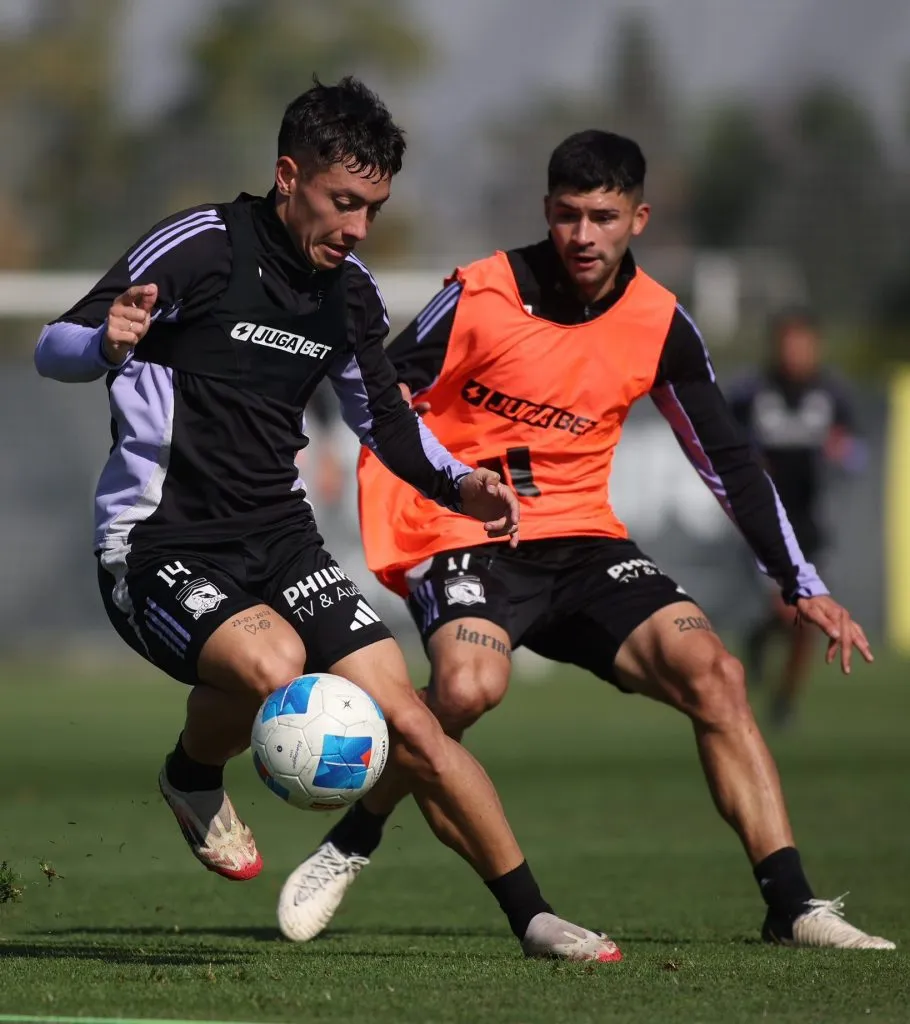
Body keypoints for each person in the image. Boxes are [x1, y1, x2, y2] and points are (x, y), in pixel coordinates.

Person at [33, 79, 621, 963]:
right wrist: (107, 341)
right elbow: (54, 348)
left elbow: (385, 421)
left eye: (372, 209)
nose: (355, 227)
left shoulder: (346, 296)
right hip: (157, 545)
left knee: (413, 723)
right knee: (272, 660)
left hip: (279, 538)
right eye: (342, 202)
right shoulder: (200, 247)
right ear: (287, 176)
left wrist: (462, 486)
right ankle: (196, 774)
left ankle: (534, 918)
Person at [280, 129, 895, 951]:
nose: (582, 235)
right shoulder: (483, 292)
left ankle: (792, 905)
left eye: (603, 217)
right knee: (465, 689)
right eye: (568, 215)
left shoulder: (659, 323)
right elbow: (380, 392)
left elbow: (729, 461)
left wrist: (801, 581)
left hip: (582, 542)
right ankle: (355, 841)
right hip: (467, 530)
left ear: (637, 218)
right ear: (546, 211)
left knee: (715, 674)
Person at [728, 311, 866, 727]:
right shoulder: (751, 393)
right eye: (788, 343)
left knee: (806, 618)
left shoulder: (832, 394)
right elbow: (720, 443)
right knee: (795, 612)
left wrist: (845, 452)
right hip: (764, 524)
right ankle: (763, 639)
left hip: (811, 525)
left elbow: (858, 453)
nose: (795, 352)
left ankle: (785, 697)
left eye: (803, 343)